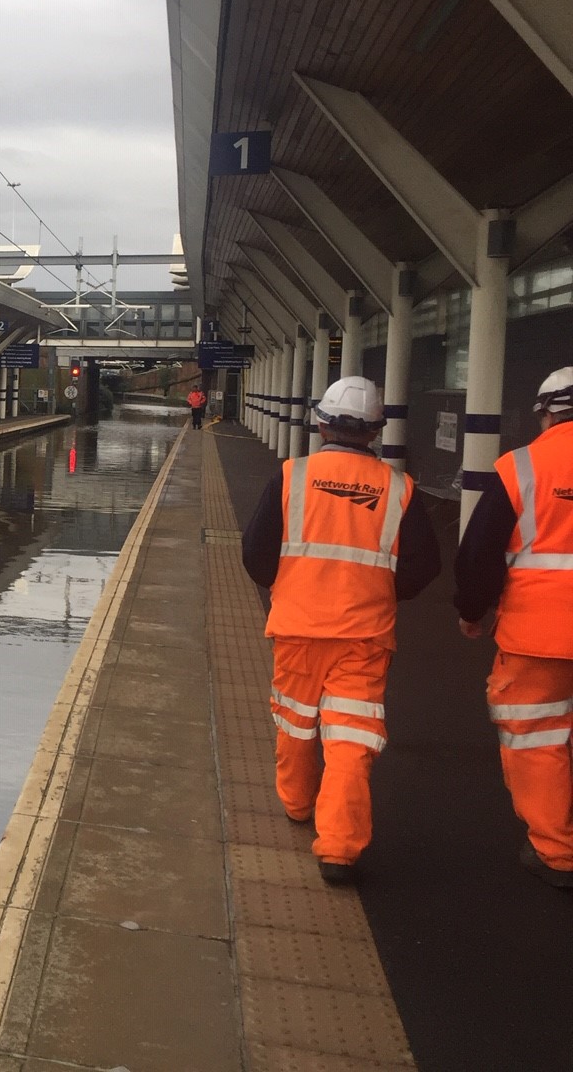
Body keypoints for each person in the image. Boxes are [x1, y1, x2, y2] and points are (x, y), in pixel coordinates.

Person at [242, 376, 441, 884]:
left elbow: (257, 552)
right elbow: (424, 564)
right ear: (375, 431)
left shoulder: (292, 476)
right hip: (364, 634)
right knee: (352, 736)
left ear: (321, 423)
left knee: (295, 722)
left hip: (298, 626)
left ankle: (296, 802)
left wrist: (286, 583)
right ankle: (339, 848)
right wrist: (380, 592)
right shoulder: (400, 489)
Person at [454, 367, 573, 888]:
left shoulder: (521, 467)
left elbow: (479, 553)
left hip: (537, 636)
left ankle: (557, 849)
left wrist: (471, 610)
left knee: (538, 738)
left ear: (546, 412)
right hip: (538, 634)